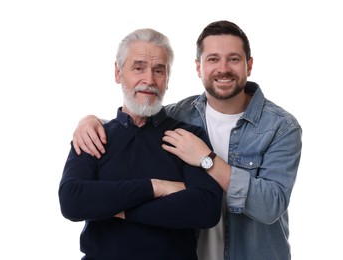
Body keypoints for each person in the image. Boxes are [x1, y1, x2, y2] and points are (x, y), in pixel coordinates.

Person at [72, 20, 303, 260]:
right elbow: (137, 116)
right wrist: (91, 121)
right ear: (198, 67)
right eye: (213, 59)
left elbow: (270, 206)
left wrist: (207, 159)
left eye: (233, 59)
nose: (223, 68)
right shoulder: (179, 115)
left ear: (249, 65)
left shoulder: (280, 127)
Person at [59, 28, 223, 260]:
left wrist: (117, 208)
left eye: (159, 70)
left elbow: (205, 209)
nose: (149, 80)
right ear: (118, 72)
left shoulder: (187, 136)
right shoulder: (93, 135)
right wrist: (156, 187)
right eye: (138, 68)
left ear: (167, 80)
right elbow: (72, 201)